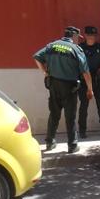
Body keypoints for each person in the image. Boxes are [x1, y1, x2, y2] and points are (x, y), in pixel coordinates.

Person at [34, 26, 93, 154]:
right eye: (78, 38)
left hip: (54, 85)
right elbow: (85, 72)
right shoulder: (76, 49)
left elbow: (37, 57)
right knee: (70, 116)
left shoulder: (52, 45)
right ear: (74, 36)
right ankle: (72, 145)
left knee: (54, 114)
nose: (79, 40)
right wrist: (90, 89)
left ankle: (50, 142)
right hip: (69, 87)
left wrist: (45, 72)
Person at [78, 26, 100, 138]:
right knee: (84, 106)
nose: (92, 37)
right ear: (85, 35)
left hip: (97, 80)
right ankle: (82, 131)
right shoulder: (80, 47)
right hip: (84, 82)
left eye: (94, 35)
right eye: (89, 35)